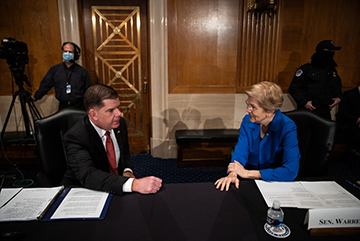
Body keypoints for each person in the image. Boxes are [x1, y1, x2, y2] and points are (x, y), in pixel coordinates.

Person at [61, 84, 162, 195]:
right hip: (84, 190)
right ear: (94, 114)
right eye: (110, 110)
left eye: (118, 107)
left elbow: (125, 154)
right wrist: (133, 184)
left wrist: (127, 171)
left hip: (115, 186)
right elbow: (88, 175)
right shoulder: (76, 136)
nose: (119, 113)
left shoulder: (119, 124)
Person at [215, 81, 300, 191]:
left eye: (253, 107)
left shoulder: (287, 127)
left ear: (269, 110)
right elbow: (241, 152)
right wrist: (233, 173)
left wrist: (248, 173)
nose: (247, 109)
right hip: (249, 182)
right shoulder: (247, 121)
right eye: (248, 104)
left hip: (273, 183)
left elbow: (290, 171)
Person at [289, 40, 342, 120]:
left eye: (332, 51)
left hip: (325, 111)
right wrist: (304, 102)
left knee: (326, 132)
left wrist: (339, 98)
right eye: (329, 51)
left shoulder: (331, 70)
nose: (331, 53)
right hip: (308, 110)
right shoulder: (306, 69)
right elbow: (294, 88)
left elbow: (337, 85)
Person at [31, 42, 92, 110]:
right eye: (65, 51)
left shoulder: (82, 71)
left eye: (70, 52)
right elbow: (45, 85)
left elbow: (88, 91)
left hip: (79, 107)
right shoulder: (54, 69)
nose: (67, 54)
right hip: (63, 106)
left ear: (75, 54)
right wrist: (35, 97)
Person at [335, 85, 360, 159]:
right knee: (357, 134)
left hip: (357, 124)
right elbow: (342, 113)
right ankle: (350, 158)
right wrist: (357, 119)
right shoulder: (348, 94)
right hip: (346, 124)